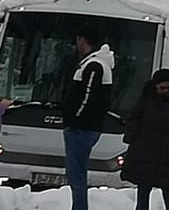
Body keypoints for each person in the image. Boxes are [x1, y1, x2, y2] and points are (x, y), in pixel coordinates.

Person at [122, 69, 169, 210]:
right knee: (143, 193)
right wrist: (133, 137)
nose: (166, 91)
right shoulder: (146, 98)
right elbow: (134, 117)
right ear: (155, 86)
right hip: (144, 151)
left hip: (168, 154)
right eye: (162, 88)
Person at [62, 29, 115, 210]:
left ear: (81, 39)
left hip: (81, 129)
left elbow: (87, 96)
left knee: (76, 175)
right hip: (83, 127)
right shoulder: (93, 64)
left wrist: (74, 119)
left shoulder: (94, 65)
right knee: (76, 174)